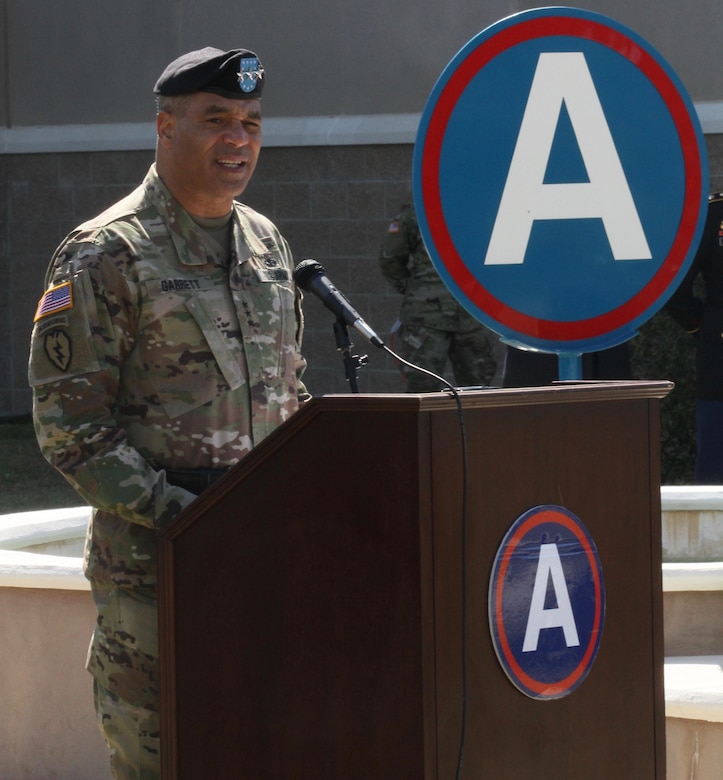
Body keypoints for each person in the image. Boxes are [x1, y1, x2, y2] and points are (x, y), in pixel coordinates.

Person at [28, 47, 308, 778]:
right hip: (156, 575)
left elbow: (289, 395)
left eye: (250, 122)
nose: (238, 138)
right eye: (216, 119)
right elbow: (72, 431)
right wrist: (185, 518)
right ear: (164, 126)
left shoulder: (267, 245)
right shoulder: (103, 255)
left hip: (262, 564)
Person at [379, 203, 497, 391]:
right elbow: (389, 260)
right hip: (452, 314)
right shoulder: (480, 206)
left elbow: (389, 259)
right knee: (470, 392)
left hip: (451, 313)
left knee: (472, 391)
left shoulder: (421, 208)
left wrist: (415, 289)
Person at [666, 192, 723, 483]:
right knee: (715, 477)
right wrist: (708, 328)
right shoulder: (713, 216)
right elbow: (674, 287)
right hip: (719, 369)